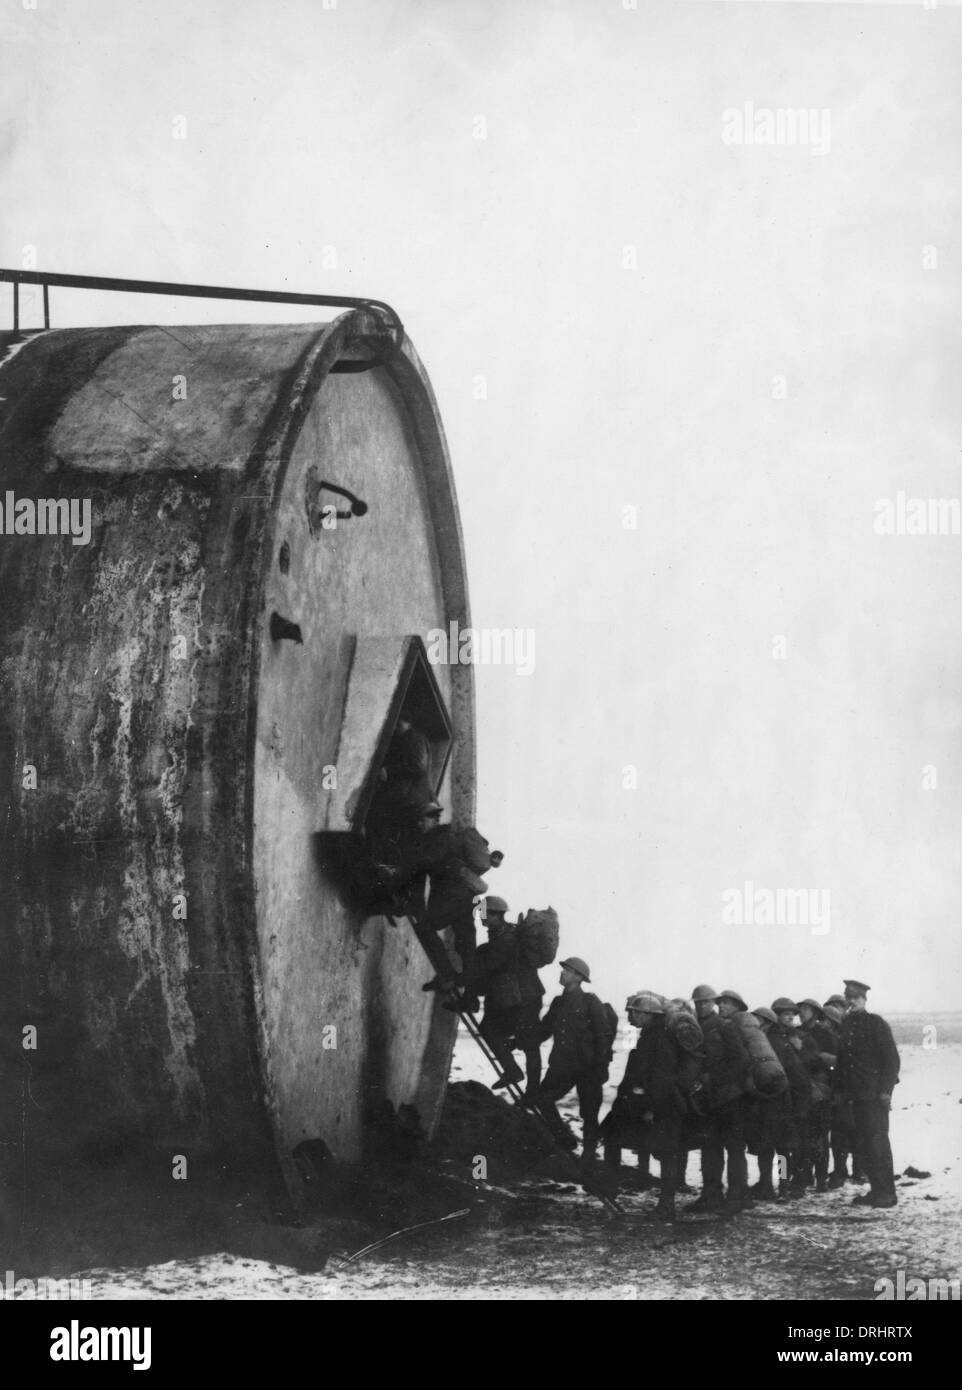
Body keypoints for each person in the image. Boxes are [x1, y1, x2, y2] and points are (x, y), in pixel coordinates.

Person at [621, 991, 698, 1222]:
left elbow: (660, 1076)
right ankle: (666, 1204)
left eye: (635, 1012)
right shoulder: (652, 1034)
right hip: (666, 1102)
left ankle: (667, 1205)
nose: (632, 1016)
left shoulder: (658, 1037)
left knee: (667, 1154)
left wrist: (650, 1108)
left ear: (648, 1014)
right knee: (667, 1153)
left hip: (664, 1103)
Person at [537, 958, 614, 1157]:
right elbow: (543, 1031)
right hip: (562, 1066)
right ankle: (566, 1139)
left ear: (579, 977)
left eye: (568, 971)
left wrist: (602, 1066)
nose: (562, 973)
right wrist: (517, 1041)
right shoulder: (558, 1002)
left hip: (588, 1067)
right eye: (563, 970)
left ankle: (588, 1158)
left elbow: (602, 1035)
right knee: (542, 1098)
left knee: (589, 1114)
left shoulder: (591, 1001)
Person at [834, 979, 900, 1209]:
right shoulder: (846, 1025)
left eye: (855, 997)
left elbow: (892, 1060)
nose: (851, 1001)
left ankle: (887, 1194)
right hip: (855, 1096)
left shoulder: (876, 1023)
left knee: (878, 1144)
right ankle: (876, 1190)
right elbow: (843, 1062)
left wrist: (885, 1091)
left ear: (864, 999)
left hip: (873, 1097)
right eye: (848, 997)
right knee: (863, 1145)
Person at [472, 897, 544, 1094]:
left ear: (496, 915)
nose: (481, 916)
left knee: (526, 1042)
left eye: (484, 912)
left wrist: (463, 981)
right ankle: (515, 1072)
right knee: (494, 1029)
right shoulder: (503, 932)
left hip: (521, 997)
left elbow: (492, 964)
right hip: (516, 996)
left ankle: (525, 1083)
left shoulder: (506, 937)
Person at [689, 986, 751, 1212]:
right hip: (708, 1100)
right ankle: (710, 1195)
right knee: (709, 1148)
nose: (701, 1006)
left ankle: (737, 1197)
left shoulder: (725, 1026)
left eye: (706, 1002)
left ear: (713, 1003)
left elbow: (742, 1060)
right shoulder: (694, 1026)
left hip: (730, 1098)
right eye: (698, 1002)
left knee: (734, 1148)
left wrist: (715, 1079)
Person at [796, 998, 835, 1192]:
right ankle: (803, 1178)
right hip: (802, 1090)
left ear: (816, 1012)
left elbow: (833, 1061)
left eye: (806, 1009)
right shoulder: (797, 1032)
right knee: (803, 1136)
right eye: (800, 1009)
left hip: (821, 1091)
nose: (801, 1012)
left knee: (820, 1136)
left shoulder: (824, 1033)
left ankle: (821, 1179)